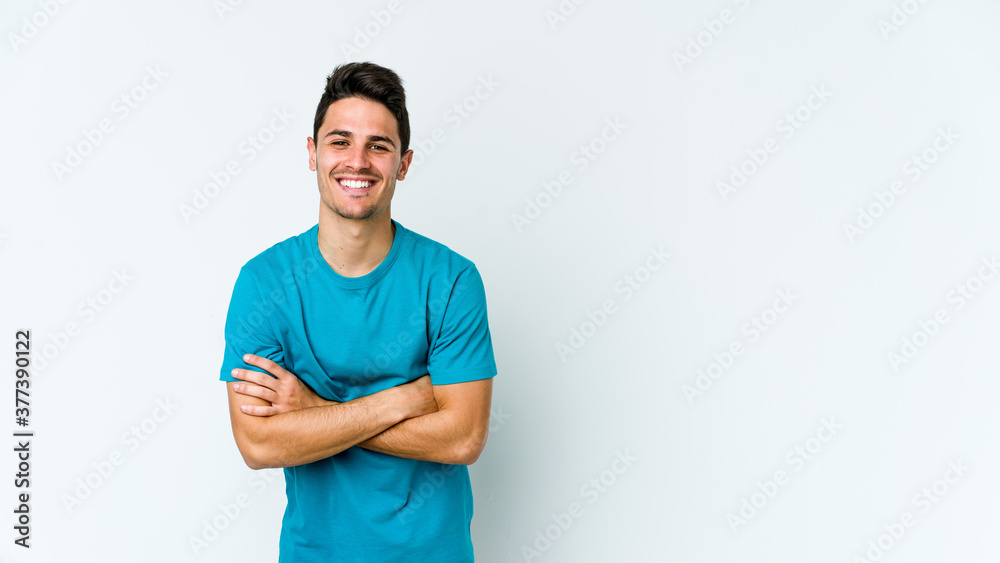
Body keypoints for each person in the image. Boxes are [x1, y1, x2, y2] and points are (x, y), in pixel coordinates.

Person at [218, 61, 497, 562]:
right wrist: (404, 400)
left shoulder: (451, 280)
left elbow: (462, 439)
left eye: (379, 146)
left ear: (403, 164)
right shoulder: (264, 284)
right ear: (312, 153)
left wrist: (315, 410)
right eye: (340, 141)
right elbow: (258, 444)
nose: (358, 161)